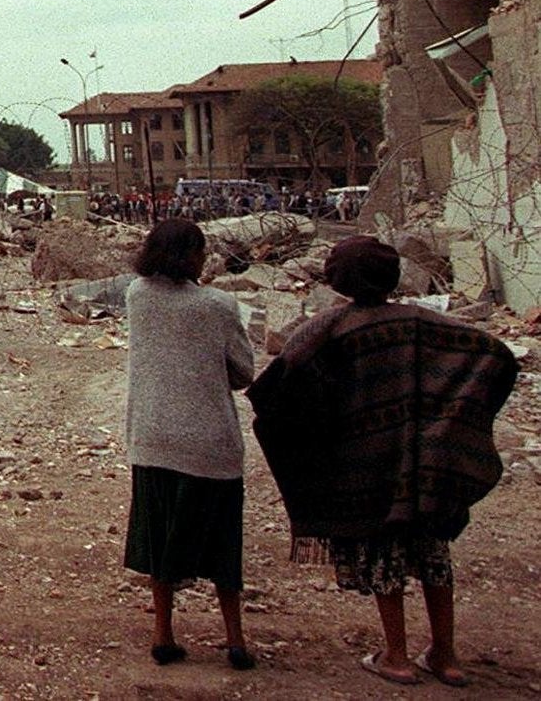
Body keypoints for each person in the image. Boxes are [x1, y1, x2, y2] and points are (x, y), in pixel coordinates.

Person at [248, 237, 517, 687]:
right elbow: (495, 357)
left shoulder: (330, 328)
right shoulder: (425, 322)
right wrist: (455, 421)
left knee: (383, 557)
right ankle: (445, 655)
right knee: (433, 555)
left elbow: (276, 386)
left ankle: (396, 654)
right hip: (423, 465)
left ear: (339, 280)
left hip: (367, 467)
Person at [123, 218, 256, 670]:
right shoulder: (218, 305)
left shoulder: (136, 297)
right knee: (222, 546)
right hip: (210, 443)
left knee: (161, 542)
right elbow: (242, 371)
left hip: (153, 436)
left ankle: (163, 632)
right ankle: (234, 638)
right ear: (193, 256)